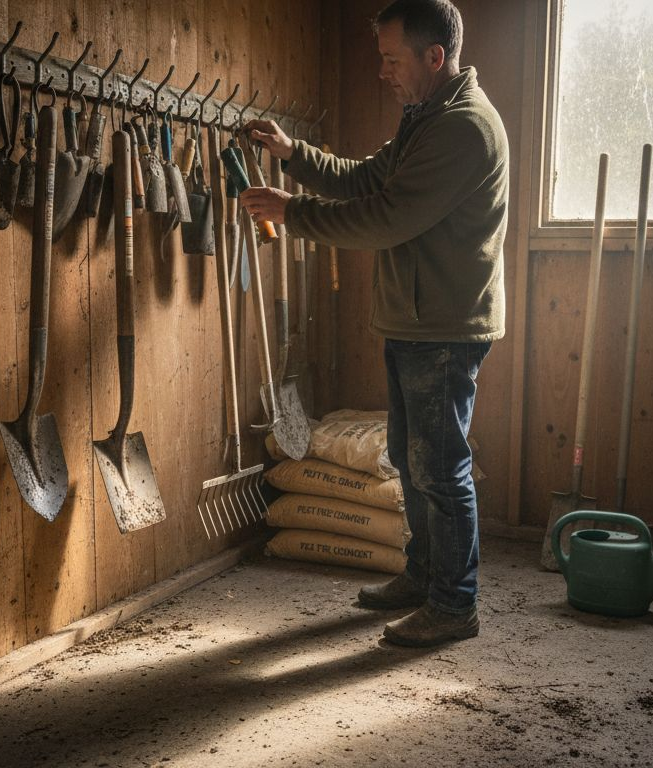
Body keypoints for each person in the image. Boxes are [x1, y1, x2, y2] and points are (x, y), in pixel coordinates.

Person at [241, 0, 508, 648]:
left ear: (434, 57)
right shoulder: (426, 117)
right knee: (410, 460)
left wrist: (292, 211)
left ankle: (455, 604)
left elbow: (383, 217)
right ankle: (424, 578)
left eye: (392, 59)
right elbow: (366, 178)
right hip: (414, 320)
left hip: (442, 326)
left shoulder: (462, 129)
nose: (383, 72)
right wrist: (292, 154)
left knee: (440, 468)